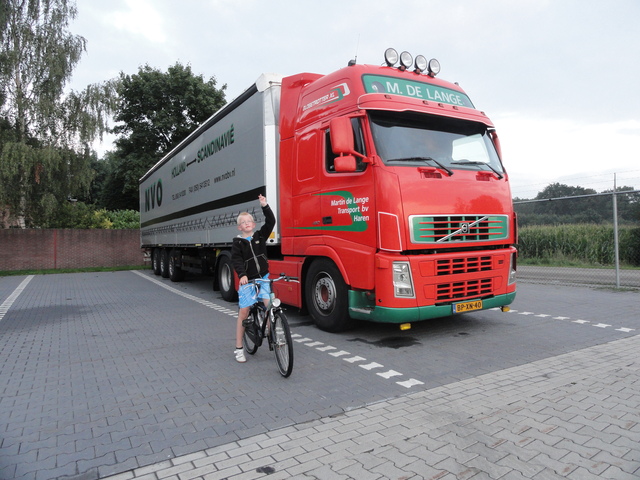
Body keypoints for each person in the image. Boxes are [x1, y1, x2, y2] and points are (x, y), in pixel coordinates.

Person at [231, 194, 275, 362]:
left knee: (269, 306)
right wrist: (242, 275)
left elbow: (271, 221)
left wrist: (264, 205)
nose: (246, 223)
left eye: (248, 221)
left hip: (263, 278)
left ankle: (274, 337)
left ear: (253, 224)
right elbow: (237, 260)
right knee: (244, 311)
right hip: (248, 281)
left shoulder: (260, 236)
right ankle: (239, 348)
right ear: (239, 228)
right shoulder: (237, 243)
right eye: (242, 222)